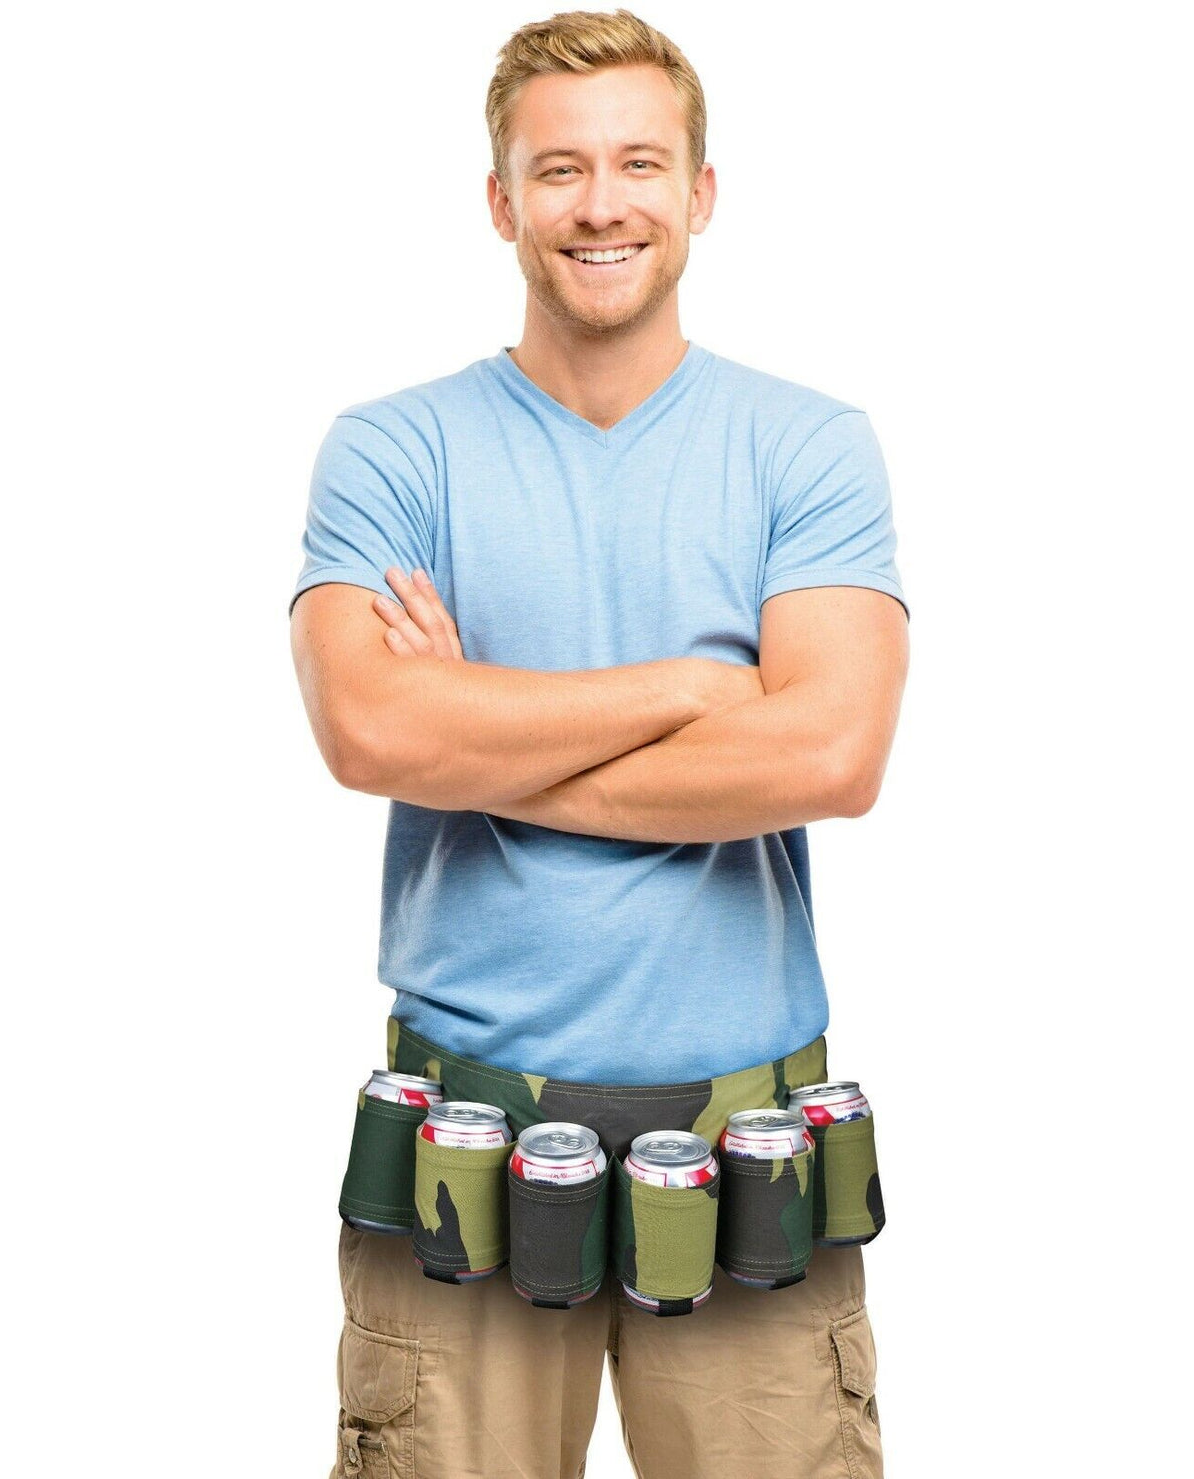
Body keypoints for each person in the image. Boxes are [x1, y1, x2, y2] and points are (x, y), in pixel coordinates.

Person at [289, 10, 909, 1478]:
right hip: (465, 1151)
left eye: (640, 163)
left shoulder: (807, 445)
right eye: (557, 170)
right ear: (502, 203)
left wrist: (481, 733)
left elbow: (831, 756)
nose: (601, 204)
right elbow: (370, 727)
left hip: (755, 1151)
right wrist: (700, 694)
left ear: (700, 194)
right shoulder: (394, 451)